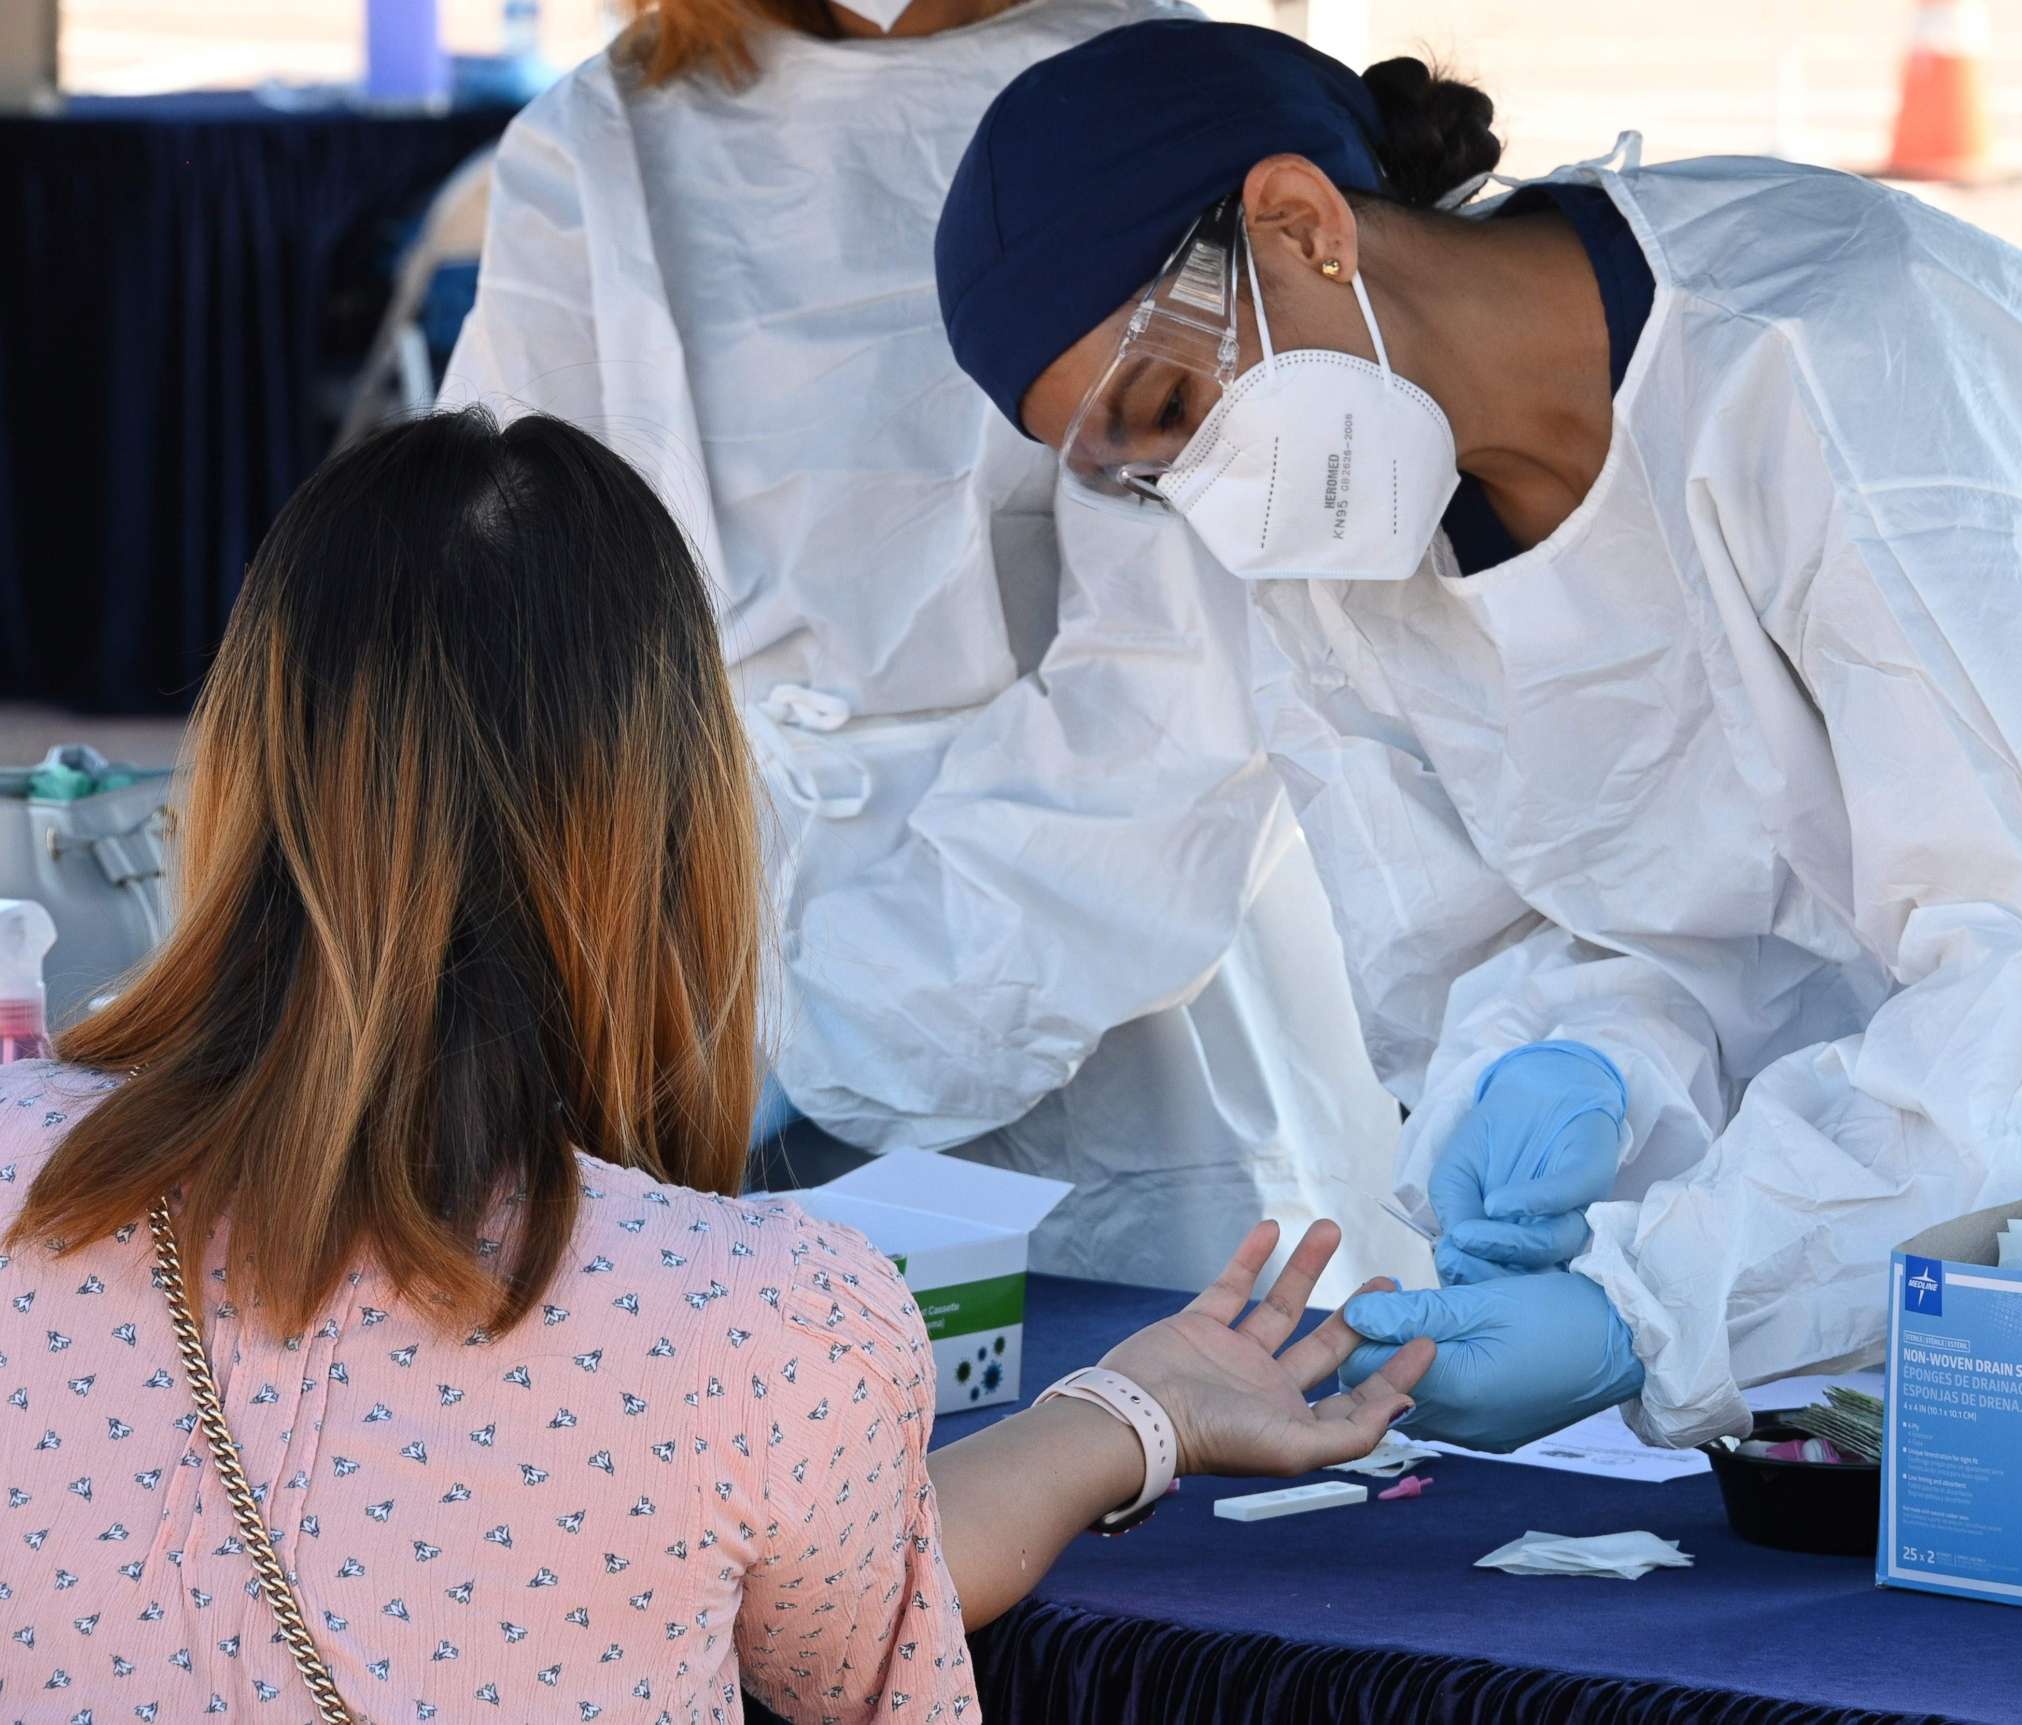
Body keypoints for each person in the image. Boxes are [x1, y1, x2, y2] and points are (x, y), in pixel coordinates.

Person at [932, 20, 2022, 1452]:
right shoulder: (1341, 539)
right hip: (1907, 1114)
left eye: (1167, 406)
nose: (1193, 492)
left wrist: (1663, 1307)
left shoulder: (1838, 360)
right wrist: (1564, 1063)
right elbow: (1514, 931)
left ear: (1299, 223)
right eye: (1129, 472)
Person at [0, 410, 1429, 1722]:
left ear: (242, 763)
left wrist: (1135, 1407)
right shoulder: (751, 1321)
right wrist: (1141, 1413)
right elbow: (864, 1630)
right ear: (668, 823)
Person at [439, 0, 1421, 1294]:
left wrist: (829, 1032)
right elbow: (509, 601)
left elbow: (1178, 696)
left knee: (1114, 1401)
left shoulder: (1133, 94)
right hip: (691, 945)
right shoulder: (606, 137)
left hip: (1110, 958)